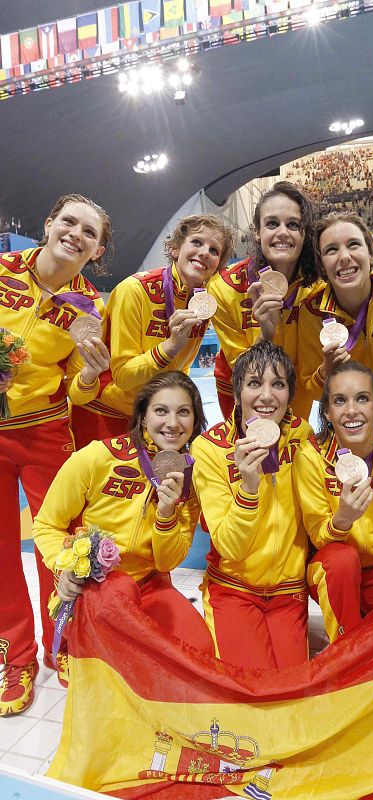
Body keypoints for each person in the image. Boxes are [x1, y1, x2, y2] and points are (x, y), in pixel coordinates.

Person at [33, 371, 214, 709]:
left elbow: (167, 562)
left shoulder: (190, 478)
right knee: (120, 614)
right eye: (161, 411)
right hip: (97, 588)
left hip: (149, 584)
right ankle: (84, 646)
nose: (172, 423)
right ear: (143, 415)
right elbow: (46, 524)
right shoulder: (98, 457)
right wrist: (64, 567)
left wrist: (166, 513)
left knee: (199, 650)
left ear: (195, 420)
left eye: (183, 412)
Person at [0, 194, 112, 715]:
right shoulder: (3, 269)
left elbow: (78, 391)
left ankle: (61, 642)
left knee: (57, 543)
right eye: (68, 222)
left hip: (44, 432)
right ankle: (16, 656)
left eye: (89, 233)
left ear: (96, 251)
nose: (75, 235)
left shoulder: (90, 307)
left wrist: (89, 373)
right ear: (48, 224)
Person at [192, 341, 311, 669]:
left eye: (278, 384)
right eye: (255, 383)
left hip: (288, 591)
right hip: (234, 589)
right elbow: (230, 547)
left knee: (289, 688)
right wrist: (248, 487)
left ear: (290, 393)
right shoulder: (210, 448)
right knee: (251, 689)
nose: (267, 396)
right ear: (237, 391)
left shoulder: (303, 436)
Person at [71, 214, 234, 449]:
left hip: (155, 419)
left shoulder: (203, 305)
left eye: (214, 250)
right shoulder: (134, 290)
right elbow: (123, 377)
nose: (204, 252)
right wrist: (169, 347)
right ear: (176, 248)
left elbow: (181, 368)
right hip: (106, 414)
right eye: (197, 242)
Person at [293, 361, 373, 643]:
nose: (351, 410)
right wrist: (343, 520)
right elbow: (318, 535)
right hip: (334, 570)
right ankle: (347, 650)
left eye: (362, 399)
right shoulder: (311, 456)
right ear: (327, 412)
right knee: (342, 559)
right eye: (340, 401)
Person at [295, 212, 373, 434]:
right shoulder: (311, 312)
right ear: (321, 265)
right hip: (347, 415)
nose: (344, 257)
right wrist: (326, 372)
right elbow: (311, 389)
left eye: (353, 244)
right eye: (331, 250)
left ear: (371, 252)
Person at [208, 181, 319, 419]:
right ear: (257, 232)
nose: (282, 232)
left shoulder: (319, 286)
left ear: (304, 234)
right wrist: (265, 335)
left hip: (296, 386)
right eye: (272, 223)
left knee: (293, 441)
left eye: (293, 224)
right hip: (240, 386)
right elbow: (240, 370)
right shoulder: (224, 287)